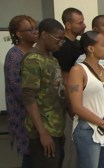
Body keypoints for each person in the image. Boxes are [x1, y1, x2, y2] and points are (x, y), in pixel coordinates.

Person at [67, 31, 104, 168]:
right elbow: (76, 106)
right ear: (91, 48)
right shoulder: (78, 70)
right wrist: (102, 123)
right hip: (88, 129)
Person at [20, 18, 66, 168]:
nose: (60, 43)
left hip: (56, 128)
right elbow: (28, 97)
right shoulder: (33, 60)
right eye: (58, 39)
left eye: (62, 40)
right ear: (44, 34)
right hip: (44, 130)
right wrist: (43, 133)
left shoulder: (52, 59)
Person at [52, 7, 86, 168]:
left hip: (82, 99)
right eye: (79, 23)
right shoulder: (63, 46)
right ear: (68, 24)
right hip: (70, 104)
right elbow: (66, 79)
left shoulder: (79, 44)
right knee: (71, 148)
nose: (84, 25)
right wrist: (72, 106)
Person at [4, 15, 38, 168]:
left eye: (36, 28)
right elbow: (19, 89)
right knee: (30, 155)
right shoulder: (14, 56)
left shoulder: (36, 52)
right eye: (30, 30)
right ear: (19, 34)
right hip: (24, 114)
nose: (35, 32)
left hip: (41, 112)